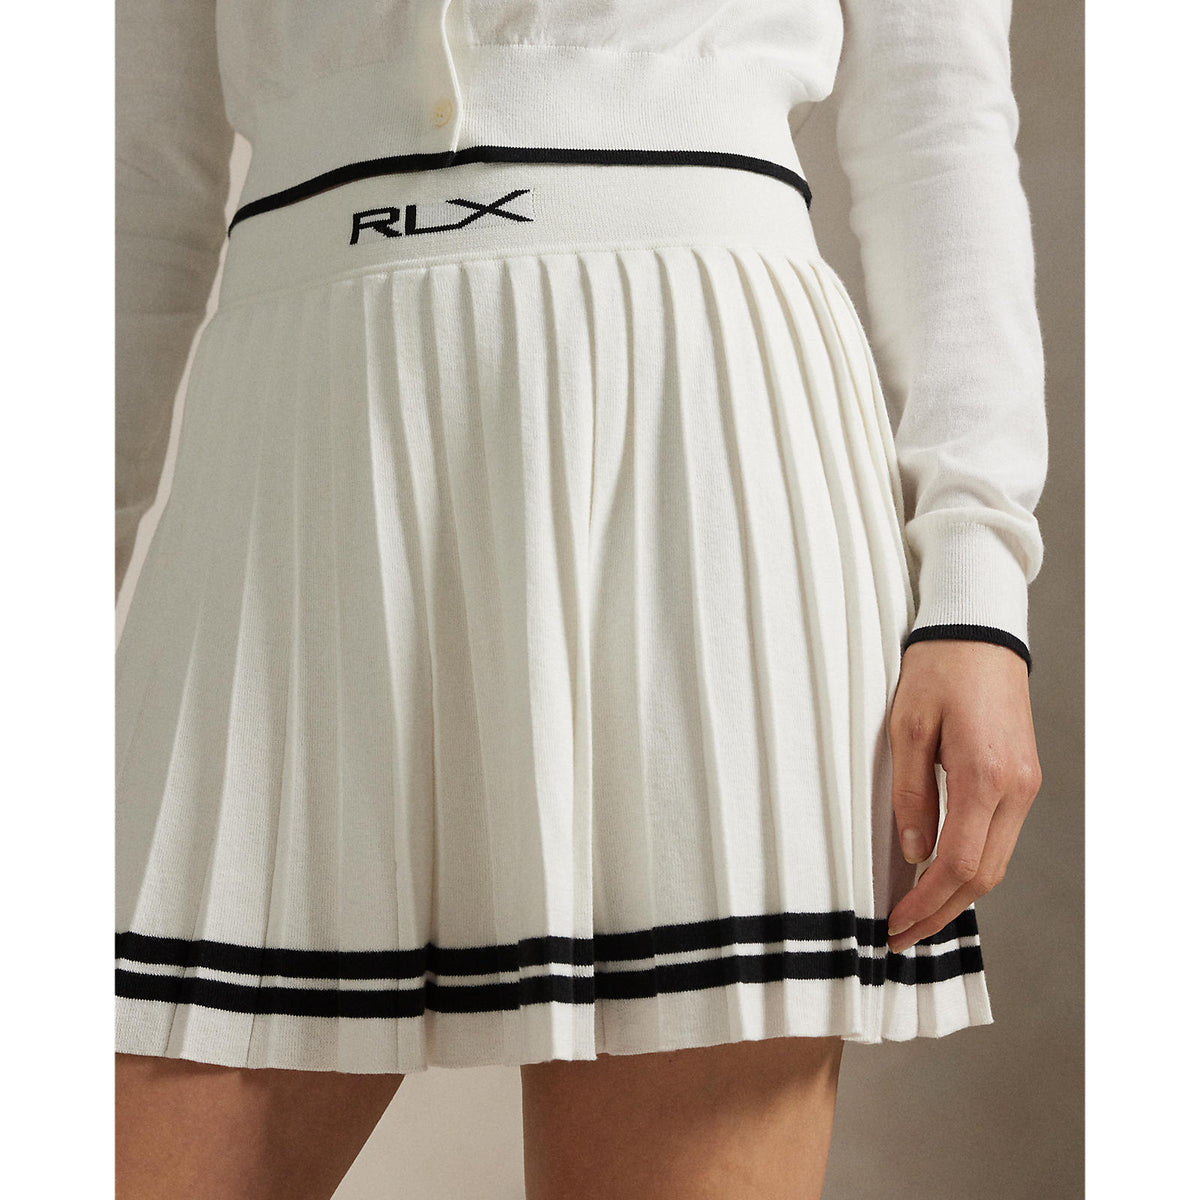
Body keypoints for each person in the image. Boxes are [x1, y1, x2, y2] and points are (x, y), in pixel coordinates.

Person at [114, 2, 1047, 1197]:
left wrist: (975, 581)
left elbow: (936, 122)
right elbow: (133, 185)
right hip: (290, 461)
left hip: (698, 460)